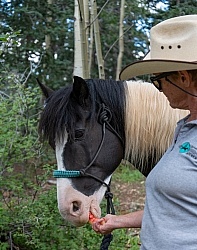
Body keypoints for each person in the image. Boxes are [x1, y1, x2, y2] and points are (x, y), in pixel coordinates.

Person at [92, 15, 197, 249]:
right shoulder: (184, 129)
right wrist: (117, 221)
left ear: (183, 77)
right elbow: (174, 210)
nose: (157, 89)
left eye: (157, 80)